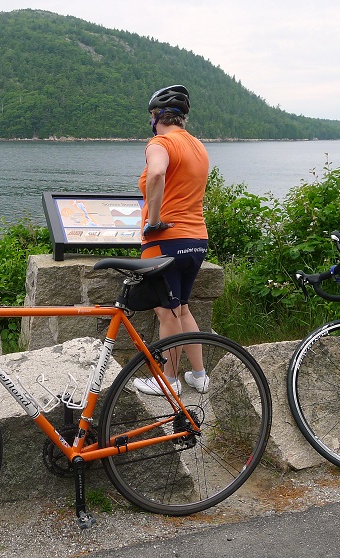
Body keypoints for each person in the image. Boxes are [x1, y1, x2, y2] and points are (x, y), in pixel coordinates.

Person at [132, 84, 210, 397]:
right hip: (196, 239)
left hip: (166, 240)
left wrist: (153, 222)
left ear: (155, 117)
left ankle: (168, 380)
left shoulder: (160, 142)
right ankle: (199, 375)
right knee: (184, 308)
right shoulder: (199, 147)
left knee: (167, 312)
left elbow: (156, 174)